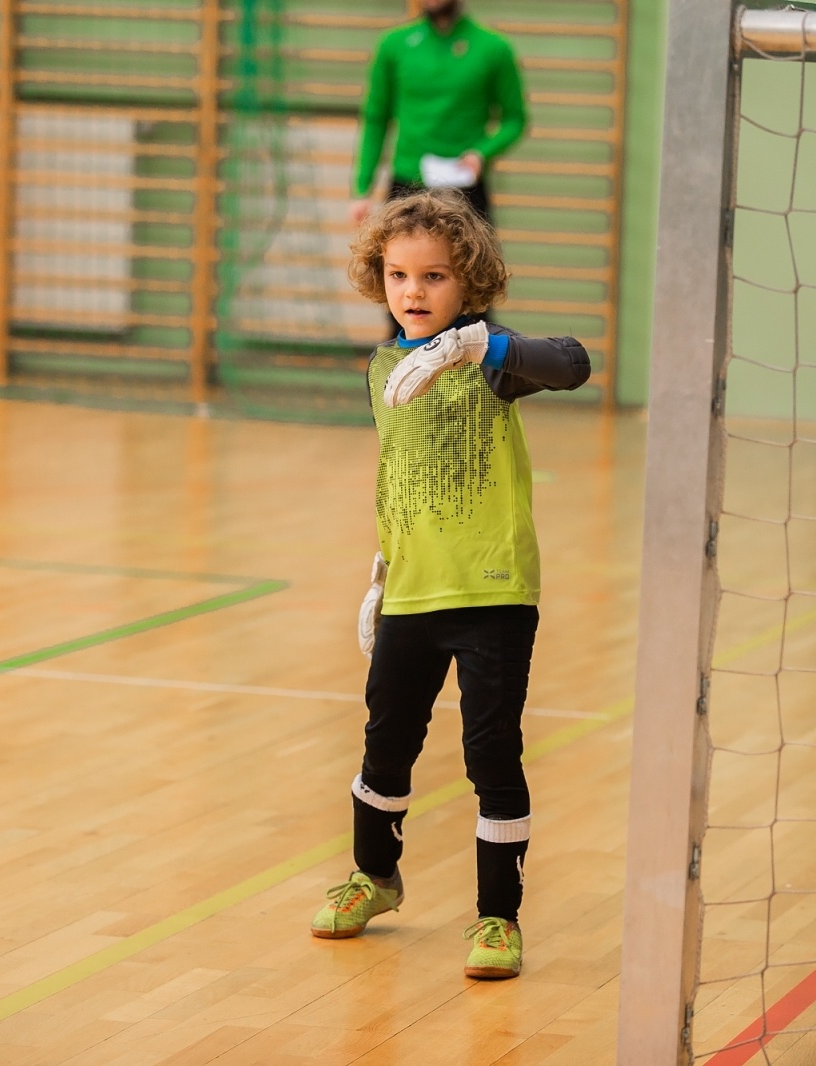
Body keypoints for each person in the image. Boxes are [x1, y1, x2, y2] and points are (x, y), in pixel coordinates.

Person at [310, 190, 588, 980]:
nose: (414, 292)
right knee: (385, 743)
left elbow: (574, 362)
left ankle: (498, 920)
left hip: (494, 595)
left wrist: (482, 351)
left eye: (434, 277)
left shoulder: (493, 362)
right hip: (412, 593)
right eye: (399, 275)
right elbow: (399, 475)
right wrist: (383, 569)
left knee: (491, 754)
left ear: (469, 282)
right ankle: (375, 875)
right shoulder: (382, 366)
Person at [348, 0, 528, 228]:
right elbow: (376, 119)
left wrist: (482, 153)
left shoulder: (493, 48)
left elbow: (515, 119)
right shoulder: (394, 45)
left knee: (474, 262)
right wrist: (362, 189)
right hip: (407, 184)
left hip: (464, 188)